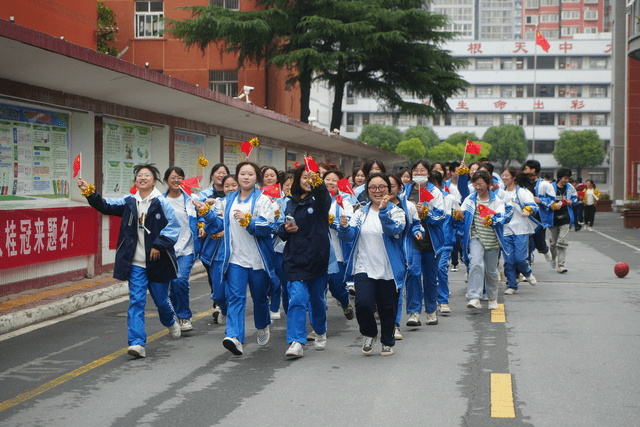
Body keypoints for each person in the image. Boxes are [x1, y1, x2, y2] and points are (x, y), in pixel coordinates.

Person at [77, 164, 181, 359]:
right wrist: (89, 192)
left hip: (158, 262)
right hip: (136, 264)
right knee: (137, 301)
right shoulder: (129, 202)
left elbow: (174, 227)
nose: (142, 178)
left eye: (147, 175)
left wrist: (159, 245)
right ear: (135, 181)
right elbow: (105, 205)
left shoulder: (162, 202)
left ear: (154, 181)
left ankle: (170, 320)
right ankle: (137, 343)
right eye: (139, 176)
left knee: (160, 300)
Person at [209, 162, 278, 356]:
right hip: (235, 259)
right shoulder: (228, 199)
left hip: (257, 260)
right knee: (236, 298)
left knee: (259, 297)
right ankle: (235, 337)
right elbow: (216, 221)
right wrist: (205, 212)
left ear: (257, 178)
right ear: (237, 177)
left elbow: (268, 225)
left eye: (250, 174)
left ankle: (263, 324)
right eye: (242, 174)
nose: (246, 177)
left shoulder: (264, 200)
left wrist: (248, 220)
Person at [339, 173, 406, 356]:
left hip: (389, 269)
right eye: (373, 187)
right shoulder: (360, 212)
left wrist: (383, 211)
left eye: (382, 187)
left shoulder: (396, 211)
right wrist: (344, 227)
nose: (377, 191)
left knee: (387, 308)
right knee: (363, 304)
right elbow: (349, 236)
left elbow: (394, 229)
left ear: (389, 189)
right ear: (368, 190)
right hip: (364, 267)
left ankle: (387, 340)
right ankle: (369, 333)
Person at [278, 165, 333, 358]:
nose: (307, 181)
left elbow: (325, 197)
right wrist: (286, 229)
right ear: (297, 180)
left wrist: (317, 181)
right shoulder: (289, 202)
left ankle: (320, 329)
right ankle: (296, 341)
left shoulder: (320, 200)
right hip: (295, 258)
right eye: (304, 177)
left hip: (317, 257)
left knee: (317, 299)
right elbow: (280, 229)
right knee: (298, 299)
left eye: (312, 178)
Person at [454, 170, 508, 310]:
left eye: (481, 184)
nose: (478, 187)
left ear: (488, 184)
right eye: (475, 184)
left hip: (493, 241)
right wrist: (459, 214)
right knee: (476, 264)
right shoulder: (470, 200)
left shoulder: (497, 200)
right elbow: (463, 215)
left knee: (491, 271)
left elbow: (503, 217)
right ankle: (474, 297)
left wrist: (491, 219)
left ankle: (492, 298)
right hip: (476, 238)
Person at [404, 160, 446, 327]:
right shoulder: (405, 190)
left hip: (431, 241)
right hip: (412, 240)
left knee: (430, 278)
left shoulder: (435, 192)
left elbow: (442, 216)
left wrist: (426, 213)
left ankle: (430, 310)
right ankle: (414, 312)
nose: (419, 173)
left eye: (422, 171)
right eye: (416, 170)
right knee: (413, 274)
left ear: (429, 174)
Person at [384, 172, 422, 340]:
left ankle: (395, 325)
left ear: (400, 187)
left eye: (392, 185)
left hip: (403, 253)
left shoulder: (409, 206)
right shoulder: (376, 206)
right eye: (387, 186)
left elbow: (417, 224)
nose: (389, 189)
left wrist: (417, 232)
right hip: (380, 254)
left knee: (397, 289)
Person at [162, 167, 201, 331]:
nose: (176, 180)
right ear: (166, 181)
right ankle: (175, 314)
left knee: (179, 280)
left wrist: (202, 226)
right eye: (173, 177)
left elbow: (203, 216)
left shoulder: (192, 200)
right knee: (171, 285)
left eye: (179, 177)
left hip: (187, 249)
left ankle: (184, 317)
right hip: (166, 250)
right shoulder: (159, 201)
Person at [199, 174, 239, 326]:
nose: (230, 188)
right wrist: (206, 210)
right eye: (227, 186)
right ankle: (223, 309)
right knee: (219, 294)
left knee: (234, 292)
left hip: (237, 254)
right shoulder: (217, 203)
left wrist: (227, 232)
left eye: (233, 185)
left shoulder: (246, 206)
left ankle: (233, 327)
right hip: (217, 254)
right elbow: (212, 225)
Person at [501, 167, 539, 295]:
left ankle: (527, 272)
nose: (504, 178)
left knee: (520, 259)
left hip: (521, 229)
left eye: (507, 175)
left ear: (514, 177)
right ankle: (512, 285)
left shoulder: (523, 192)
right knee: (508, 261)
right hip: (505, 230)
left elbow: (534, 206)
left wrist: (528, 210)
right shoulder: (500, 193)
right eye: (503, 175)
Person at [522, 160, 555, 265]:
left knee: (539, 242)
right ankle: (526, 267)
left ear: (533, 170)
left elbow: (552, 201)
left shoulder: (545, 185)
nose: (524, 170)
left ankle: (544, 249)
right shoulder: (521, 183)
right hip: (525, 217)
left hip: (539, 219)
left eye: (526, 168)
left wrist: (540, 201)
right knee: (527, 243)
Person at [549, 168, 578, 274]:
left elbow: (575, 199)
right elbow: (545, 200)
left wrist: (571, 201)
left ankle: (561, 265)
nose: (566, 180)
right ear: (560, 177)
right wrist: (552, 205)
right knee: (554, 243)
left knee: (562, 243)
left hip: (565, 219)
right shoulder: (551, 187)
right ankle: (553, 257)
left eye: (568, 178)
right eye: (565, 178)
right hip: (553, 219)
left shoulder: (570, 188)